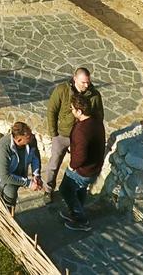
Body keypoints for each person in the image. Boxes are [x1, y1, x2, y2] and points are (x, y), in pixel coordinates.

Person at [46, 67, 104, 201]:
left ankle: (77, 194)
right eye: (83, 82)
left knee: (80, 165)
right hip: (62, 135)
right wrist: (53, 133)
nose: (87, 85)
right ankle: (48, 190)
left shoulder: (94, 95)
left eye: (88, 82)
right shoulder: (62, 90)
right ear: (75, 78)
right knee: (53, 164)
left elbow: (99, 116)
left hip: (81, 138)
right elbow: (51, 111)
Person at [58, 94, 106, 232]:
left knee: (65, 190)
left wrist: (71, 166)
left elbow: (80, 156)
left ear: (79, 111)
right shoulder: (96, 121)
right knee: (80, 189)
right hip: (94, 167)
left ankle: (81, 220)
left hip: (83, 170)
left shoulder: (81, 131)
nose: (72, 111)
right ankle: (75, 213)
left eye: (73, 109)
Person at [0, 121, 43, 215]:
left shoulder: (31, 139)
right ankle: (6, 214)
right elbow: (5, 176)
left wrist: (36, 174)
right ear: (18, 140)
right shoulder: (3, 146)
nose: (31, 138)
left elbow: (35, 157)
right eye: (28, 137)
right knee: (11, 191)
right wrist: (29, 183)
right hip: (2, 175)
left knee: (17, 183)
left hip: (18, 172)